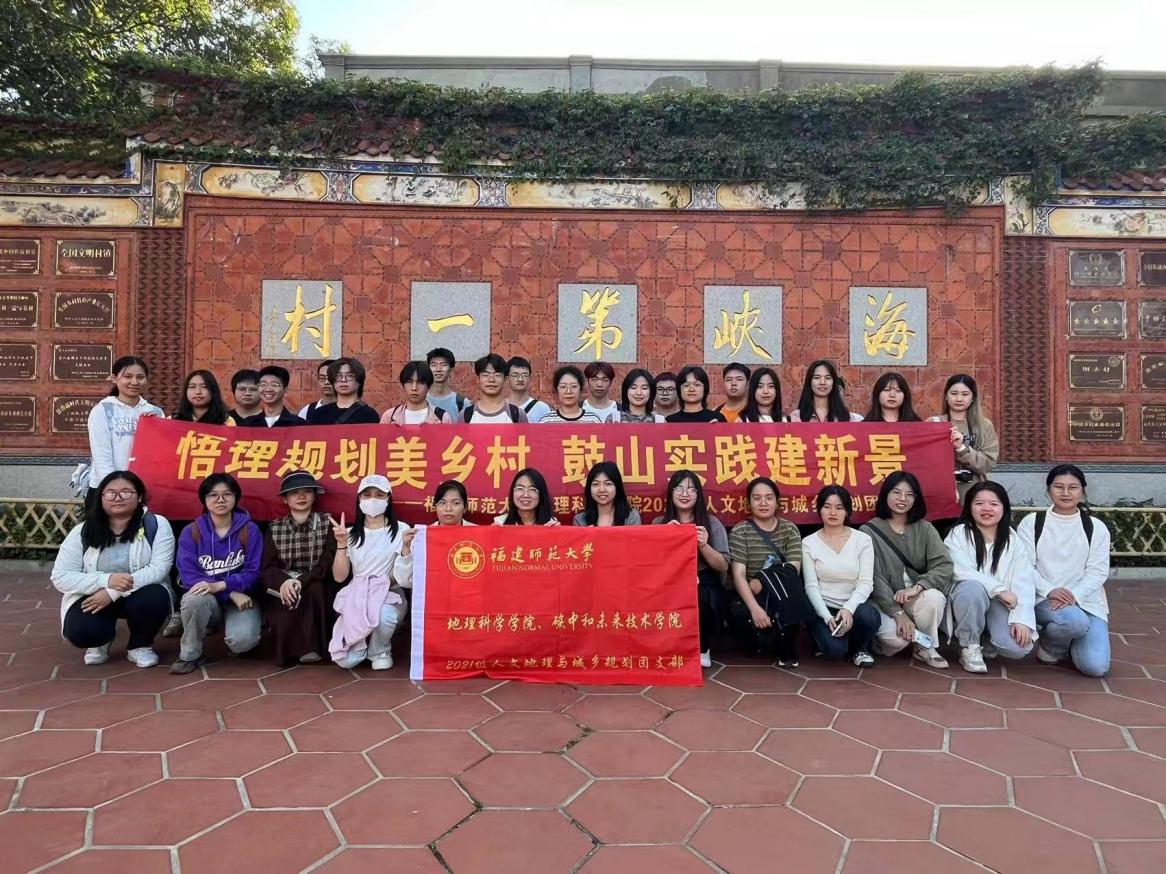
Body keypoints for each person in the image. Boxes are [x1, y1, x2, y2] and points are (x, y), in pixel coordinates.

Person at [51, 471, 174, 668]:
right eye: (110, 493)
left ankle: (140, 646)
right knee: (83, 632)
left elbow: (159, 568)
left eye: (126, 492)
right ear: (101, 497)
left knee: (154, 596)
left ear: (139, 496)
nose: (117, 497)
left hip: (139, 593)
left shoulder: (156, 525)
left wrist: (112, 591)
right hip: (94, 594)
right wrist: (105, 581)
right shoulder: (83, 531)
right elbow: (60, 576)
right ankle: (99, 642)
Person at [1017, 464, 1111, 677]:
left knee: (1095, 667)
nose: (1065, 493)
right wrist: (1050, 590)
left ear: (1082, 491)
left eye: (1073, 487)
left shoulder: (1095, 527)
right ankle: (1052, 648)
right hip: (1043, 599)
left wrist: (1074, 596)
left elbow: (1097, 571)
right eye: (1058, 487)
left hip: (1086, 601)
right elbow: (1024, 566)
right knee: (1073, 621)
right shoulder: (1032, 523)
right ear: (1048, 490)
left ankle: (1070, 637)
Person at [171, 473, 263, 674]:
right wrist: (229, 592)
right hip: (212, 599)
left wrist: (221, 586)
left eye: (227, 494)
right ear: (204, 499)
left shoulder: (250, 530)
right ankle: (189, 655)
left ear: (235, 497)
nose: (220, 500)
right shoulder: (191, 532)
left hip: (243, 598)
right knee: (193, 599)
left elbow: (253, 573)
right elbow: (189, 576)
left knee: (242, 642)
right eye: (213, 495)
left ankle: (236, 628)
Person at [861, 471, 953, 668]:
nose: (902, 498)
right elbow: (874, 577)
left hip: (914, 597)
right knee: (897, 641)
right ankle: (880, 641)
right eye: (896, 492)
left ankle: (926, 647)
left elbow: (944, 565)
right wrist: (897, 612)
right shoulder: (868, 531)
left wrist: (918, 587)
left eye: (909, 494)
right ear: (885, 494)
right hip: (884, 601)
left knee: (934, 598)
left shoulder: (925, 528)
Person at [945, 481, 1037, 673]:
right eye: (979, 503)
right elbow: (959, 570)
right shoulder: (958, 534)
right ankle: (969, 646)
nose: (986, 509)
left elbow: (1024, 580)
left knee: (1018, 648)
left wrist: (1022, 619)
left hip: (999, 603)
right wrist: (999, 590)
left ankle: (985, 638)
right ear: (969, 507)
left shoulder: (1012, 539)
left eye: (994, 504)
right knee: (972, 588)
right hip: (966, 599)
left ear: (1004, 508)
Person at [329, 474, 414, 670]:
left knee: (384, 615)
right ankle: (361, 644)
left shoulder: (401, 530)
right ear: (359, 499)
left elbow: (403, 578)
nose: (373, 500)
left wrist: (379, 586)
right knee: (346, 661)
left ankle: (380, 650)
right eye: (367, 495)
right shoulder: (350, 534)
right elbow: (340, 577)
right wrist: (341, 544)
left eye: (379, 495)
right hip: (356, 598)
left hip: (389, 595)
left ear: (388, 499)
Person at [261, 471, 338, 667]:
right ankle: (287, 651)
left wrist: (301, 581)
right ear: (285, 499)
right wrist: (284, 582)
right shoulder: (275, 527)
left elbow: (327, 561)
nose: (301, 496)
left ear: (314, 495)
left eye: (307, 491)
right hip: (285, 581)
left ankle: (314, 648)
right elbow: (268, 567)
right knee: (286, 595)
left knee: (315, 589)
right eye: (294, 493)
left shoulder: (328, 523)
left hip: (317, 580)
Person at [654, 470, 730, 668]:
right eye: (679, 488)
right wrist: (663, 539)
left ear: (698, 495)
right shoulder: (659, 523)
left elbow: (723, 565)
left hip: (703, 579)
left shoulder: (711, 523)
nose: (685, 493)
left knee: (700, 594)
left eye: (691, 489)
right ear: (671, 493)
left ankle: (702, 648)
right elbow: (651, 565)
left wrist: (703, 545)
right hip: (669, 578)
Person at [728, 477, 804, 667]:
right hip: (752, 593)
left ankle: (784, 646)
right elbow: (738, 575)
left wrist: (763, 579)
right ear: (749, 503)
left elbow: (792, 570)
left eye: (769, 498)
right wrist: (754, 608)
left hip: (782, 592)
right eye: (757, 498)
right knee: (739, 614)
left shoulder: (790, 529)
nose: (763, 503)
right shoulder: (740, 531)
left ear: (777, 502)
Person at [802, 485, 880, 666]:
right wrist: (827, 616)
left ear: (847, 511)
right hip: (825, 608)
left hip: (854, 607)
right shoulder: (808, 543)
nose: (833, 513)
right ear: (819, 509)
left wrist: (848, 609)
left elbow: (866, 582)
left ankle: (859, 649)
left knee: (869, 617)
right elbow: (811, 586)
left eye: (839, 508)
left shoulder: (862, 540)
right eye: (827, 507)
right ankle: (832, 641)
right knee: (834, 650)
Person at [86, 356, 165, 489]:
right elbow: (101, 455)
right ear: (114, 378)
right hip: (108, 488)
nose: (134, 382)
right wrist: (114, 485)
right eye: (128, 376)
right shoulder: (103, 410)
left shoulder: (155, 412)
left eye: (140, 377)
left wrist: (154, 426)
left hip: (144, 486)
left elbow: (160, 454)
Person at [928, 373, 999, 504]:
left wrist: (961, 448)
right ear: (946, 396)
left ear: (973, 398)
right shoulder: (933, 423)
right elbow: (925, 461)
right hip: (940, 491)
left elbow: (988, 465)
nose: (959, 399)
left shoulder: (984, 425)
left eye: (965, 394)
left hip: (974, 493)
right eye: (954, 393)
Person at [309, 358, 379, 424]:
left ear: (360, 380)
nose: (343, 380)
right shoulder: (319, 413)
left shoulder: (369, 415)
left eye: (349, 376)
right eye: (338, 376)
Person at [790, 360, 862, 422]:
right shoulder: (796, 417)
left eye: (827, 378)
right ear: (809, 381)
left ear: (834, 382)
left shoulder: (848, 418)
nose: (822, 382)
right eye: (817, 378)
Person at [462, 354, 529, 422]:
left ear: (505, 379)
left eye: (497, 375)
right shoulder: (466, 415)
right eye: (486, 375)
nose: (491, 380)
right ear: (478, 379)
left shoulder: (517, 414)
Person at [573, 461, 642, 526]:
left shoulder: (631, 517)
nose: (601, 489)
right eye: (596, 484)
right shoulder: (580, 520)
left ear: (617, 487)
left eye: (608, 484)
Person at [381, 361, 450, 424]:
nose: (414, 388)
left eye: (420, 382)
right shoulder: (389, 416)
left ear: (428, 386)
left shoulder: (442, 418)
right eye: (409, 382)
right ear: (403, 385)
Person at [539, 366, 604, 424]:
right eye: (563, 387)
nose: (569, 391)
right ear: (557, 390)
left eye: (574, 386)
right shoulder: (546, 421)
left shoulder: (593, 420)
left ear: (580, 389)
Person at [498, 468, 562, 526]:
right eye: (520, 488)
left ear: (541, 494)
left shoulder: (551, 524)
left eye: (532, 489)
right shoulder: (500, 523)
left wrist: (556, 531)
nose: (525, 495)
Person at [426, 347, 468, 421]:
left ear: (451, 370)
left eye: (443, 365)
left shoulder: (462, 403)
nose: (438, 369)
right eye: (434, 365)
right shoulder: (421, 400)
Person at [506, 356, 552, 423]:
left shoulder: (542, 408)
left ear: (530, 379)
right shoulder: (499, 408)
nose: (520, 379)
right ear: (507, 379)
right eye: (515, 375)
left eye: (524, 375)